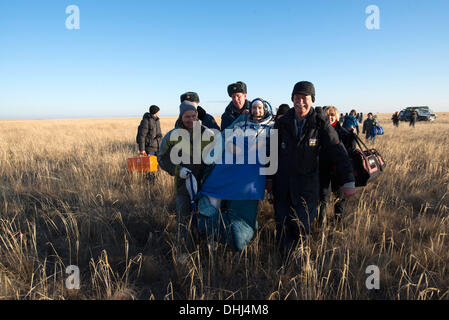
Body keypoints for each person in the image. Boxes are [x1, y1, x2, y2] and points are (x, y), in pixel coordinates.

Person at [271, 81, 356, 255]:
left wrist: (348, 180)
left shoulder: (319, 123)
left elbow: (337, 150)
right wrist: (268, 178)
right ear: (292, 99)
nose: (300, 102)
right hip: (283, 184)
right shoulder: (282, 122)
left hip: (307, 186)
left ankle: (300, 257)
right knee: (282, 224)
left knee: (302, 225)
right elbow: (271, 151)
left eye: (305, 98)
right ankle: (283, 261)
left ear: (312, 100)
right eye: (297, 98)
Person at [196, 98, 275, 251]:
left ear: (265, 109)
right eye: (254, 108)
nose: (256, 111)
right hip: (233, 166)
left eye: (259, 108)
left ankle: (240, 229)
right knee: (216, 191)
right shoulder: (241, 122)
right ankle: (212, 232)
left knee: (245, 203)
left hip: (254, 173)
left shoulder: (272, 126)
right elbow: (228, 137)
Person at [158, 101, 215, 252]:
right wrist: (178, 170)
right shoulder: (172, 136)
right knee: (183, 221)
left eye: (193, 115)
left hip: (206, 186)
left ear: (197, 115)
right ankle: (185, 252)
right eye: (187, 116)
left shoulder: (208, 134)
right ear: (181, 116)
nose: (191, 119)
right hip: (183, 186)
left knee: (207, 216)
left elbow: (218, 159)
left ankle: (209, 248)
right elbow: (162, 159)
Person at [317, 106, 357, 226]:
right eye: (328, 115)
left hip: (338, 171)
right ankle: (321, 222)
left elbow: (350, 150)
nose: (330, 117)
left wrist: (352, 136)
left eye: (332, 115)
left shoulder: (343, 132)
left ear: (337, 117)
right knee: (322, 196)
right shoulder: (320, 131)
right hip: (323, 168)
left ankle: (338, 222)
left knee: (339, 198)